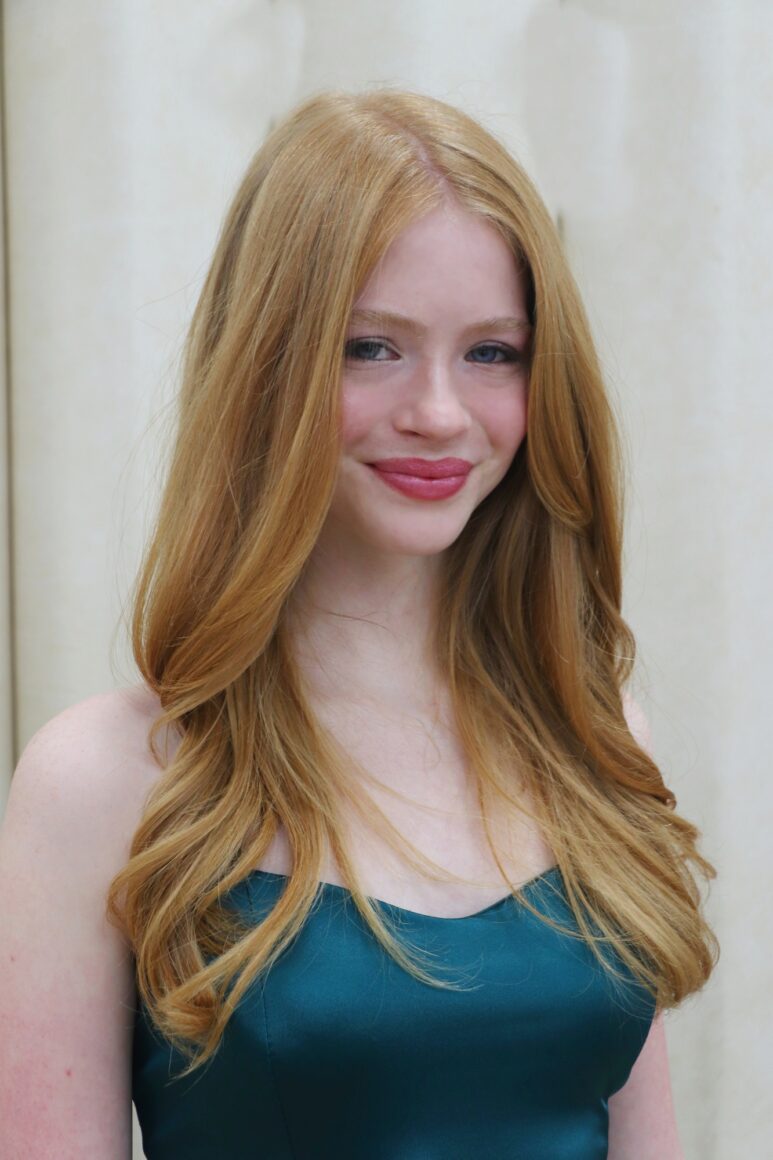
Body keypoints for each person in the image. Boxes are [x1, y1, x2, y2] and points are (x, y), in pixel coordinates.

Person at [0, 88, 717, 1159]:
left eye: (492, 352)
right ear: (267, 364)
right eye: (372, 347)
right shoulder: (102, 782)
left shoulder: (593, 731)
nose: (438, 412)